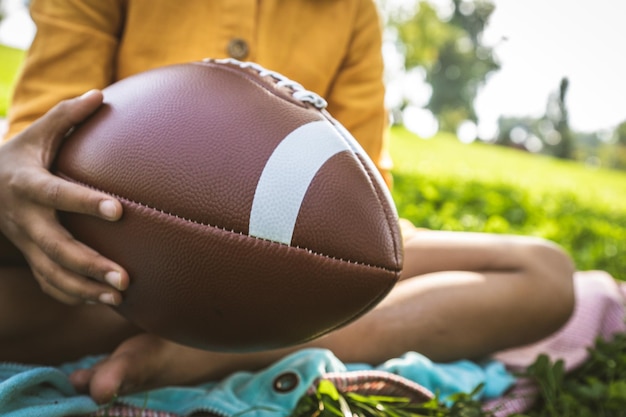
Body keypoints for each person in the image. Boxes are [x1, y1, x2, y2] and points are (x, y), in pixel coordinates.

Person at [0, 0, 575, 405]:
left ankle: (224, 352)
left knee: (545, 274)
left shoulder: (349, 10)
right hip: (123, 259)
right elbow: (41, 138)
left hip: (303, 253)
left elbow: (367, 195)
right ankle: (212, 333)